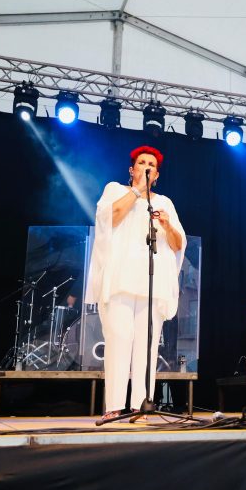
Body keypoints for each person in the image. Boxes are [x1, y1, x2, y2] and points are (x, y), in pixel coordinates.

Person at [85, 146, 185, 418]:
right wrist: (138, 190)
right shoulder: (115, 190)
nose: (147, 167)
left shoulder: (164, 203)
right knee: (118, 340)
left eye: (152, 165)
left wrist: (167, 225)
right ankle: (114, 406)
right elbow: (111, 218)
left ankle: (140, 405)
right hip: (120, 280)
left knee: (147, 345)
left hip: (151, 285)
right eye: (142, 163)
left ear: (158, 175)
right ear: (132, 169)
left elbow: (178, 245)